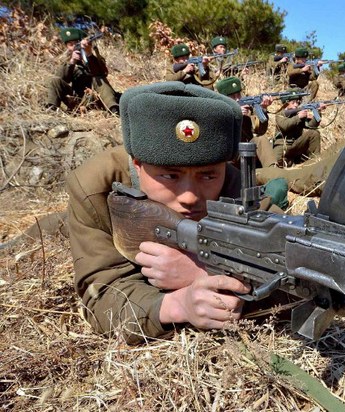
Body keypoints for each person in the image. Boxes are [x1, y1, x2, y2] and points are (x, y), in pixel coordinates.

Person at [66, 82, 287, 344]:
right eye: (170, 175)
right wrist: (176, 306)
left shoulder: (237, 186)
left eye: (208, 175)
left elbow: (291, 268)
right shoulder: (95, 188)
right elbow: (102, 294)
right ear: (138, 165)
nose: (190, 196)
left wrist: (205, 271)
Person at [45, 27, 120, 114]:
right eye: (70, 44)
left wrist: (89, 54)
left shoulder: (92, 55)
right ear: (66, 46)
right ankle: (51, 108)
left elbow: (103, 73)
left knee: (98, 78)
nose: (74, 46)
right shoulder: (65, 60)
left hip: (96, 96)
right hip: (77, 99)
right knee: (54, 81)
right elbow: (61, 79)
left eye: (76, 43)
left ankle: (113, 109)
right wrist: (72, 62)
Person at [215, 76, 279, 168]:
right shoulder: (218, 113)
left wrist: (263, 109)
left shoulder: (246, 114)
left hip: (247, 153)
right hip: (230, 159)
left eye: (239, 95)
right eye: (233, 97)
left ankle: (273, 170)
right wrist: (234, 114)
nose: (237, 99)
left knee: (261, 139)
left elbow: (260, 131)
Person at [272, 89, 325, 166]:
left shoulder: (299, 114)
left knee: (314, 133)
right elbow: (285, 126)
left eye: (297, 102)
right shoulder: (280, 114)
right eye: (293, 102)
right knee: (276, 163)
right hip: (283, 145)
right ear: (286, 104)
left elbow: (312, 125)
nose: (296, 105)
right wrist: (298, 117)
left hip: (296, 145)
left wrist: (318, 111)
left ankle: (315, 162)